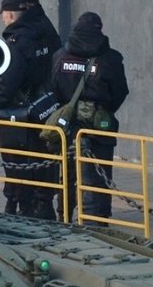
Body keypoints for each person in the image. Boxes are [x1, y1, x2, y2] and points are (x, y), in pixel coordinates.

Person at [0, 0, 60, 219]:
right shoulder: (48, 30)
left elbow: (9, 81)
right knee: (45, 159)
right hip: (47, 108)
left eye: (4, 15)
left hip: (19, 114)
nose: (3, 20)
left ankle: (19, 207)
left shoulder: (18, 41)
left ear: (11, 13)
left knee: (18, 162)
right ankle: (44, 205)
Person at [48, 11, 128, 222]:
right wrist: (103, 109)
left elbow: (54, 88)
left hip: (68, 126)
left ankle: (64, 215)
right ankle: (98, 219)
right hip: (99, 127)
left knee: (68, 173)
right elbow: (120, 91)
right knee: (100, 173)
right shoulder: (110, 59)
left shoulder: (60, 57)